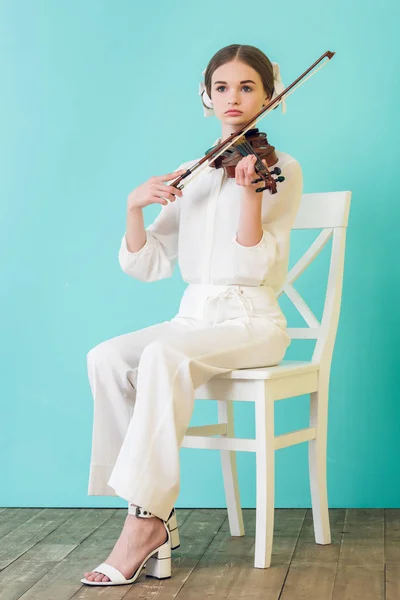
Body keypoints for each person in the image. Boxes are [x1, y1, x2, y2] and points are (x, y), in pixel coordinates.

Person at [81, 43, 303, 587]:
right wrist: (134, 207)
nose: (234, 97)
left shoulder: (281, 168)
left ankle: (145, 524)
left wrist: (250, 196)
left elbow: (255, 264)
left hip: (252, 322)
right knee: (107, 358)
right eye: (222, 87)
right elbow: (149, 261)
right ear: (205, 97)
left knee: (162, 356)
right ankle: (144, 504)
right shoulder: (192, 171)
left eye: (248, 87)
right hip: (193, 318)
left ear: (268, 97)